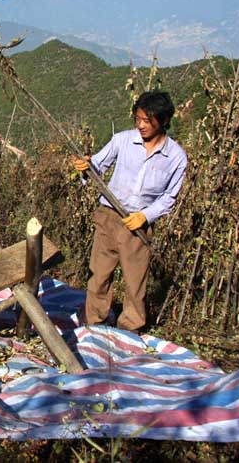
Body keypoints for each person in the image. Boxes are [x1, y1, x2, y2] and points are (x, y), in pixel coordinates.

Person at [72, 91, 187, 333]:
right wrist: (85, 167)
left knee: (136, 282)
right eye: (138, 119)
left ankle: (131, 328)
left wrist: (146, 216)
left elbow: (170, 197)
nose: (141, 125)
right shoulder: (123, 140)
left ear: (163, 121)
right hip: (109, 216)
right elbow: (97, 166)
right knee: (100, 274)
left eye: (148, 120)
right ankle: (95, 321)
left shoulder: (175, 157)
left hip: (138, 224)